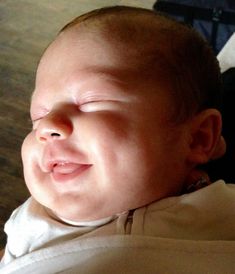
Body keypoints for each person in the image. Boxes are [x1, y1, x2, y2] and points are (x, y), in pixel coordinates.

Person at [1, 6, 235, 273]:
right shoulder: (27, 224)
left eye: (90, 102)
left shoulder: (223, 217)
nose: (47, 126)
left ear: (196, 138)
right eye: (38, 115)